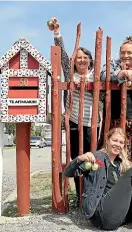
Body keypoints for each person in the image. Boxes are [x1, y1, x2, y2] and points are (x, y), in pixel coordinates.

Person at [64, 127, 132, 232]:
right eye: (115, 140)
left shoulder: (121, 163)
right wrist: (80, 158)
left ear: (123, 146)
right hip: (102, 215)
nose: (118, 144)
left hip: (120, 215)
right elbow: (68, 173)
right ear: (107, 140)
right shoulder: (96, 158)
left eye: (121, 142)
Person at [47, 17, 103, 205]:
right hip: (73, 123)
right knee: (77, 160)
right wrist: (57, 33)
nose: (82, 60)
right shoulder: (70, 74)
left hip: (93, 124)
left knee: (94, 161)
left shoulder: (97, 76)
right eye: (78, 57)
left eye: (85, 57)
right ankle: (80, 197)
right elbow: (62, 54)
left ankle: (94, 195)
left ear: (90, 60)